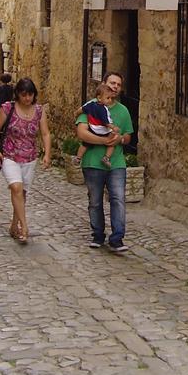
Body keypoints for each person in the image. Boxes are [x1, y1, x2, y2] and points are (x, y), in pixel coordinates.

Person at [75, 71, 133, 252]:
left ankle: (117, 239)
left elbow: (128, 136)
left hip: (116, 163)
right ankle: (98, 235)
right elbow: (82, 132)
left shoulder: (123, 111)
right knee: (95, 201)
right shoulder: (91, 106)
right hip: (93, 162)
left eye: (118, 84)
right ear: (104, 84)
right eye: (112, 83)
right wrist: (105, 141)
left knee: (118, 199)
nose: (115, 87)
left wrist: (120, 140)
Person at [0, 78, 51, 244]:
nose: (27, 98)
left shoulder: (39, 111)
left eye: (30, 94)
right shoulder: (8, 108)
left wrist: (47, 153)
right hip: (10, 155)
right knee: (16, 188)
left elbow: (45, 133)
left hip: (30, 157)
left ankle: (13, 225)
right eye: (24, 95)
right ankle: (24, 227)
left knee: (22, 193)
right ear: (17, 94)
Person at [73, 83, 118, 168]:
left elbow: (82, 109)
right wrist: (113, 128)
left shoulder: (90, 105)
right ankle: (106, 158)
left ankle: (78, 158)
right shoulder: (103, 109)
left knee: (84, 144)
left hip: (92, 129)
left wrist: (76, 113)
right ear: (99, 98)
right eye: (108, 98)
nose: (110, 100)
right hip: (102, 130)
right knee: (112, 142)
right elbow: (106, 122)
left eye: (111, 98)